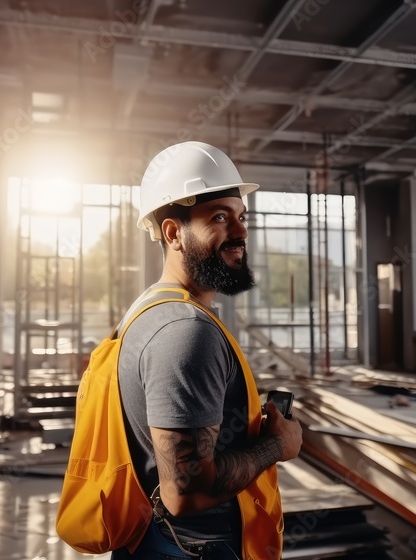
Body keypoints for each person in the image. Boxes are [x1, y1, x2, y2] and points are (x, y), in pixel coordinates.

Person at [112, 141, 304, 559]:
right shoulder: (186, 332)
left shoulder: (149, 308)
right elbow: (186, 492)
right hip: (191, 549)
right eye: (220, 217)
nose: (241, 232)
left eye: (241, 216)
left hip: (159, 542)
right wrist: (278, 446)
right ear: (173, 232)